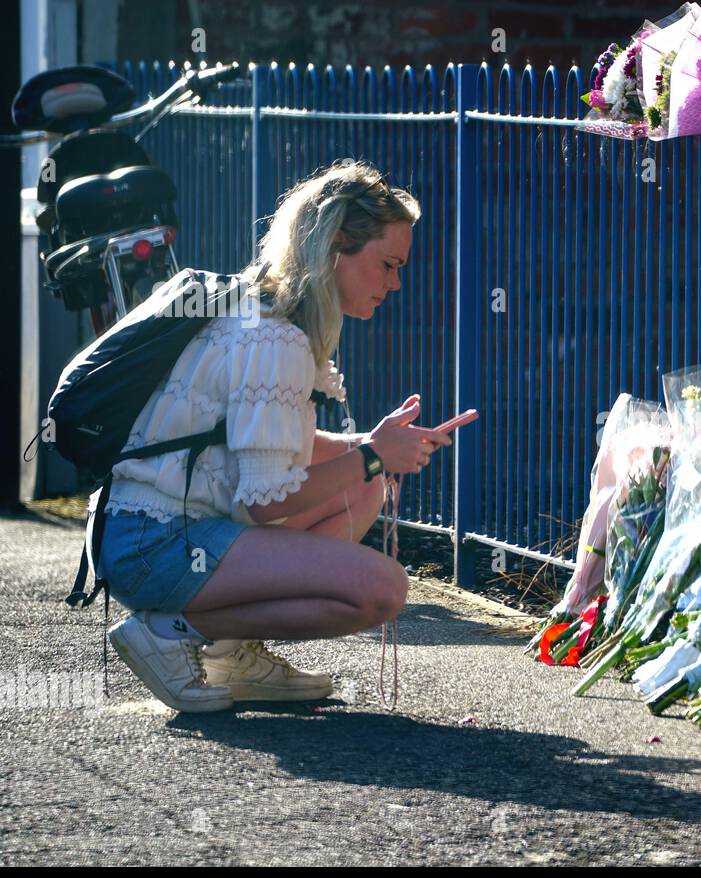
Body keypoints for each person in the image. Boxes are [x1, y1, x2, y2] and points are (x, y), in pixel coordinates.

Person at [96, 159, 451, 712]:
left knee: (363, 490)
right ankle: (170, 630)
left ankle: (231, 652)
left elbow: (278, 452)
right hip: (154, 543)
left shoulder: (263, 312)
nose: (395, 282)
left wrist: (374, 450)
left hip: (148, 531)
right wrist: (375, 457)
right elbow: (267, 503)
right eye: (387, 264)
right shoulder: (276, 339)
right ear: (336, 247)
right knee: (381, 589)